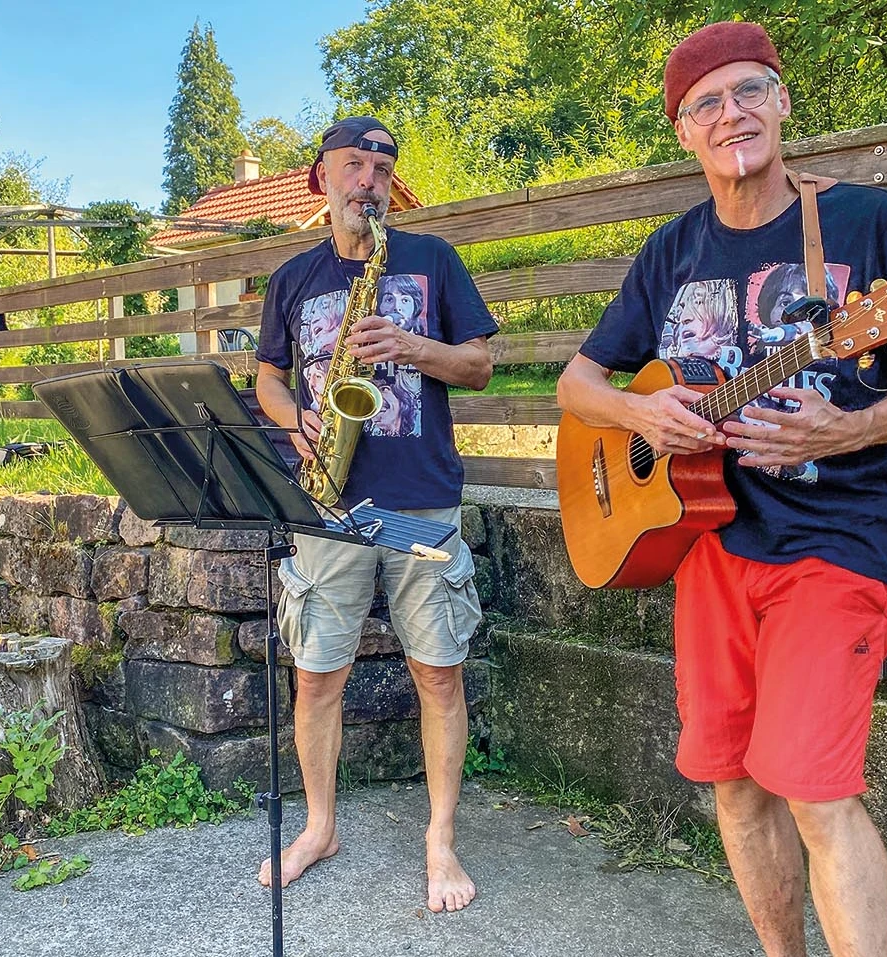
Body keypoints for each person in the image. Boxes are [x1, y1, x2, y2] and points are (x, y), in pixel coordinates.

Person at [556, 22, 887, 957]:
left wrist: (852, 425)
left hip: (834, 540)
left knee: (815, 787)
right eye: (707, 104)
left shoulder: (863, 223)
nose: (730, 114)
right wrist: (640, 419)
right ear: (683, 132)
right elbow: (579, 383)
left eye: (749, 92)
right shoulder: (672, 250)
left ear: (781, 102)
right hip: (708, 543)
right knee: (732, 780)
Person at [255, 115, 499, 913]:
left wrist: (412, 347)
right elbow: (267, 377)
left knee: (438, 672)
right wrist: (297, 425)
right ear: (318, 179)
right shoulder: (292, 277)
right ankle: (319, 825)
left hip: (421, 496)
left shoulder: (432, 261)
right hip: (327, 500)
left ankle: (440, 838)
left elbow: (482, 366)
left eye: (383, 166)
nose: (369, 179)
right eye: (354, 164)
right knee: (316, 676)